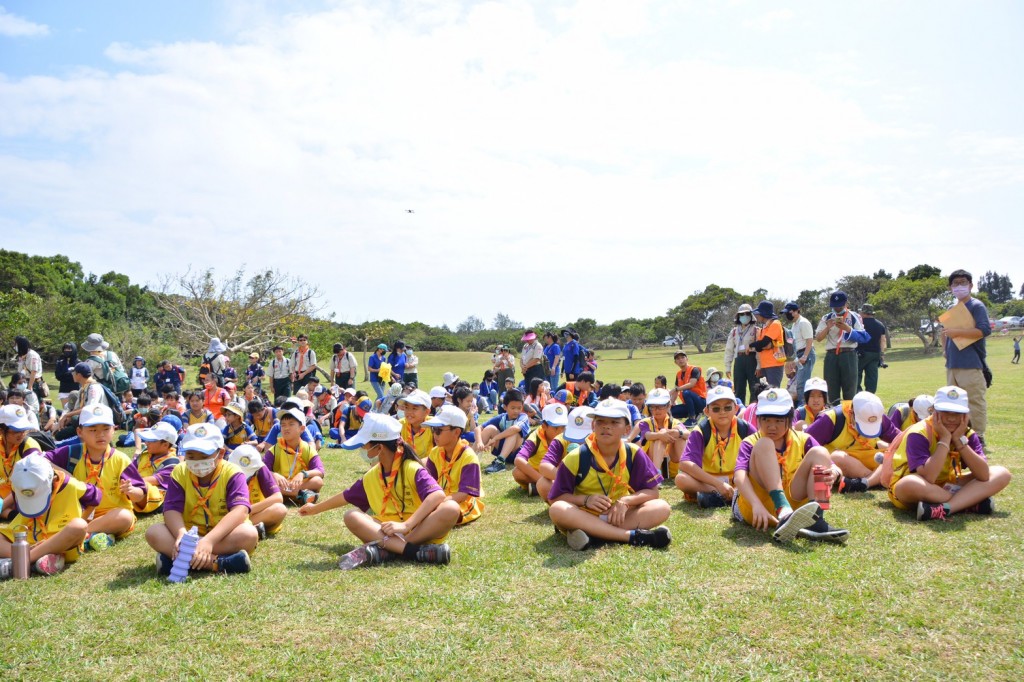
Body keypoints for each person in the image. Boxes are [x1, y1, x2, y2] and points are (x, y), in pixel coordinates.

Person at [299, 413, 459, 566]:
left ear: (379, 448)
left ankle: (390, 550)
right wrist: (315, 509)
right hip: (386, 529)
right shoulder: (373, 475)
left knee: (451, 508)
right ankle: (412, 551)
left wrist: (405, 526)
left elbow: (437, 495)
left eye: (364, 445)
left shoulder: (411, 468)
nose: (362, 450)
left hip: (418, 528)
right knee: (351, 516)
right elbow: (345, 496)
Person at [547, 399, 672, 551]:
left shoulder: (633, 453)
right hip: (585, 515)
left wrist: (626, 501)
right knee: (558, 509)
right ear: (593, 426)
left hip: (618, 516)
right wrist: (585, 500)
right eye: (600, 421)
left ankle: (593, 535)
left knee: (662, 507)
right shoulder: (576, 457)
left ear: (627, 429)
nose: (606, 426)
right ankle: (632, 537)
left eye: (614, 422)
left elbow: (653, 492)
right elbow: (555, 498)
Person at [732, 388, 848, 543]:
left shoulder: (803, 439)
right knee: (764, 444)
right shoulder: (751, 442)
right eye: (766, 420)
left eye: (779, 420)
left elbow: (832, 465)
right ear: (758, 418)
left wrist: (834, 472)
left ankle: (816, 519)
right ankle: (783, 511)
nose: (771, 426)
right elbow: (739, 477)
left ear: (790, 417)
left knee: (820, 452)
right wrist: (755, 504)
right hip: (760, 505)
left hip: (794, 501)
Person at [146, 423, 258, 576]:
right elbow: (171, 509)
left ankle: (180, 561)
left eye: (204, 456)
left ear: (220, 454)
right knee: (154, 532)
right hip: (187, 535)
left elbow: (240, 510)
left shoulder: (233, 473)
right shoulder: (179, 471)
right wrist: (181, 535)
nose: (197, 461)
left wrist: (209, 541)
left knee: (249, 534)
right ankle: (219, 563)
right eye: (191, 456)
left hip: (222, 536)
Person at [888, 386, 1011, 521]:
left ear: (966, 415)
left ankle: (946, 508)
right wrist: (945, 439)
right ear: (934, 411)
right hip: (921, 486)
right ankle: (967, 503)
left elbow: (983, 474)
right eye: (946, 412)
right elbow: (929, 477)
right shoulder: (918, 433)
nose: (951, 418)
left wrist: (959, 443)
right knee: (909, 484)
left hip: (948, 484)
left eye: (957, 413)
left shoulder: (967, 434)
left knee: (1002, 473)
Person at [46, 404, 148, 548]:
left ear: (114, 430)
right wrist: (66, 474)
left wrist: (132, 491)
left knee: (124, 517)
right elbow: (39, 458)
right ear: (80, 432)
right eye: (93, 430)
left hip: (110, 516)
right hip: (77, 515)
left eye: (106, 429)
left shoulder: (120, 459)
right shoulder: (72, 453)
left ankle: (77, 534)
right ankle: (90, 537)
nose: (100, 435)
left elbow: (141, 496)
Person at [0, 453, 94, 578]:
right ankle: (34, 560)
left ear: (54, 479)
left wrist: (84, 518)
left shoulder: (71, 485)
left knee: (79, 526)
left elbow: (94, 497)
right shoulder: (18, 483)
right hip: (26, 537)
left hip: (58, 539)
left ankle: (22, 560)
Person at [675, 385, 754, 508]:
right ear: (707, 411)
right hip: (708, 481)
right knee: (681, 479)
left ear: (736, 409)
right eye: (716, 409)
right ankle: (729, 496)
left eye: (727, 408)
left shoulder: (745, 428)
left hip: (739, 479)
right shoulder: (700, 430)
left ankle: (717, 497)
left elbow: (757, 458)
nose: (722, 412)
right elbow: (684, 463)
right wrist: (718, 485)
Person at [805, 391, 901, 492]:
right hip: (846, 462)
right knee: (837, 457)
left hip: (874, 458)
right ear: (851, 413)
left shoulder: (877, 416)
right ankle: (881, 478)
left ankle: (866, 482)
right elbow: (805, 442)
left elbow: (900, 438)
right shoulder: (830, 419)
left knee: (896, 451)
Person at [942, 269, 992, 444]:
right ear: (950, 288)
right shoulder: (951, 308)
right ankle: (958, 435)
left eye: (963, 282)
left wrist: (957, 331)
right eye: (955, 283)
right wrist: (945, 351)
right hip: (953, 364)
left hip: (971, 363)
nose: (959, 286)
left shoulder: (976, 306)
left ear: (970, 285)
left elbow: (984, 330)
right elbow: (945, 332)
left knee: (974, 401)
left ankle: (978, 436)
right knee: (952, 403)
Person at [423, 406, 485, 525]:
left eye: (439, 430)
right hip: (439, 497)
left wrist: (435, 504)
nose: (435, 435)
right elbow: (429, 482)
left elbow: (463, 494)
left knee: (447, 511)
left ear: (456, 432)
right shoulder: (435, 452)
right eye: (433, 429)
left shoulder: (468, 457)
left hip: (462, 502)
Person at [814, 291, 869, 404]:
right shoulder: (827, 317)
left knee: (850, 390)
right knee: (831, 390)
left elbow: (864, 337)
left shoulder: (854, 316)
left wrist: (847, 328)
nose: (837, 309)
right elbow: (818, 338)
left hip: (848, 354)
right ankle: (833, 416)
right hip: (831, 355)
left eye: (839, 306)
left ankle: (849, 418)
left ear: (845, 304)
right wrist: (827, 327)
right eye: (834, 306)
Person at [263, 406, 325, 506]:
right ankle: (300, 495)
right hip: (281, 484)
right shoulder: (275, 449)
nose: (286, 428)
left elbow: (320, 471)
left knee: (317, 481)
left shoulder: (307, 448)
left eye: (291, 424)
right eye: (283, 425)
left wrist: (303, 474)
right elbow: (262, 469)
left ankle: (288, 495)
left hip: (299, 484)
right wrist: (275, 475)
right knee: (265, 483)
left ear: (302, 429)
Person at [228, 444, 287, 540]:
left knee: (280, 509)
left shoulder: (260, 468)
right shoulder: (223, 468)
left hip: (251, 514)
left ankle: (244, 529)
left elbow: (277, 497)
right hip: (228, 516)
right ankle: (249, 529)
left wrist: (248, 510)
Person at [0, 404, 45, 521]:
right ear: (1, 430)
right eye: (16, 430)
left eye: (24, 429)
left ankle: (12, 515)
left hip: (25, 495)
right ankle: (11, 515)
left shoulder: (29, 447)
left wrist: (2, 505)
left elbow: (31, 483)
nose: (21, 434)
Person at [631, 388, 686, 482]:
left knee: (681, 436)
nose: (657, 410)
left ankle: (685, 470)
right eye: (653, 407)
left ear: (669, 405)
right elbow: (647, 435)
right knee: (660, 436)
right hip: (651, 461)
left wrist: (678, 433)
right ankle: (656, 474)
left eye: (661, 406)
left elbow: (688, 434)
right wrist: (661, 435)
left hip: (672, 459)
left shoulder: (674, 422)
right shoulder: (646, 422)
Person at [513, 403, 568, 496]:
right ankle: (546, 487)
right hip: (538, 473)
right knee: (517, 472)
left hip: (558, 474)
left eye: (563, 427)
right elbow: (518, 460)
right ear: (544, 426)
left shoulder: (568, 437)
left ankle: (538, 488)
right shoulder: (536, 437)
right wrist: (540, 479)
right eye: (556, 428)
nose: (561, 431)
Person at [133, 419, 181, 514]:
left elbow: (153, 480)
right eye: (147, 440)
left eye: (151, 440)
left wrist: (130, 482)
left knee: (144, 488)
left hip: (155, 495)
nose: (146, 443)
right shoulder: (145, 454)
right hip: (134, 485)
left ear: (165, 445)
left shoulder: (172, 463)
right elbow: (129, 469)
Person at [481, 389, 531, 474]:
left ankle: (500, 462)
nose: (516, 411)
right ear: (505, 407)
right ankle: (471, 460)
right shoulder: (502, 417)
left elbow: (515, 429)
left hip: (517, 454)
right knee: (490, 428)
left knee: (514, 432)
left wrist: (495, 438)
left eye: (519, 408)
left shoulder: (523, 417)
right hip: (503, 450)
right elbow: (479, 428)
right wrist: (479, 442)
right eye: (513, 408)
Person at [724, 303, 760, 405]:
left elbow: (759, 350)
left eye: (747, 314)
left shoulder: (756, 330)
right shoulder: (734, 331)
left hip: (752, 359)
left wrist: (759, 366)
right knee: (739, 388)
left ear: (751, 315)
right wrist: (728, 367)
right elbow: (729, 349)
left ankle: (752, 411)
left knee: (754, 388)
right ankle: (740, 410)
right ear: (738, 316)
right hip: (739, 360)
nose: (744, 316)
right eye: (741, 314)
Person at [783, 302, 815, 406]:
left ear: (797, 311)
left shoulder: (803, 322)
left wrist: (805, 356)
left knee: (802, 384)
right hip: (798, 354)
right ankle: (799, 407)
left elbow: (809, 340)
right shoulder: (794, 324)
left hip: (806, 353)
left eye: (790, 312)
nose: (788, 315)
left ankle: (802, 409)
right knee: (797, 383)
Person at [750, 301, 786, 388]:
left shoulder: (775, 324)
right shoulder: (765, 326)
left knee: (774, 393)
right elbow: (760, 347)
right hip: (765, 364)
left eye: (758, 314)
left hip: (774, 364)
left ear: (763, 314)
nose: (756, 316)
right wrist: (759, 346)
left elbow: (763, 343)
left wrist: (751, 345)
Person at [857, 304, 888, 393]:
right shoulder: (880, 324)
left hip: (861, 353)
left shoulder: (859, 324)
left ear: (863, 313)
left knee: (857, 375)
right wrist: (882, 355)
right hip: (875, 354)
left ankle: (858, 394)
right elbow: (882, 341)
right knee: (872, 378)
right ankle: (870, 396)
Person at [670, 352, 706, 426]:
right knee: (670, 411)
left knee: (686, 392)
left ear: (687, 359)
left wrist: (676, 389)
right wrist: (670, 403)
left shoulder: (695, 369)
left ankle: (692, 419)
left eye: (682, 357)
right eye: (678, 358)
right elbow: (675, 393)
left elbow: (691, 384)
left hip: (701, 402)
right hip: (689, 405)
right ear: (675, 362)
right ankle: (694, 414)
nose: (680, 360)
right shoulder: (678, 374)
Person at [397, 389, 435, 458]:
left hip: (428, 466)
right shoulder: (398, 426)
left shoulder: (434, 426)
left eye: (414, 408)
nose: (409, 412)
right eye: (406, 407)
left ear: (427, 412)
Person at [14, 336, 44, 402]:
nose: (15, 346)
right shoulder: (22, 355)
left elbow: (33, 372)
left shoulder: (32, 355)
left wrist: (30, 387)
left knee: (33, 402)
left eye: (16, 344)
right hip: (24, 382)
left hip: (33, 383)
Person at [54, 343, 80, 411]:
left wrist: (66, 375)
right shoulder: (60, 362)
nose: (67, 350)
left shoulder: (78, 362)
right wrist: (70, 374)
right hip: (64, 390)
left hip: (76, 389)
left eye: (69, 349)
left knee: (76, 410)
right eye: (65, 349)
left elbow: (78, 377)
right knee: (66, 410)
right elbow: (58, 376)